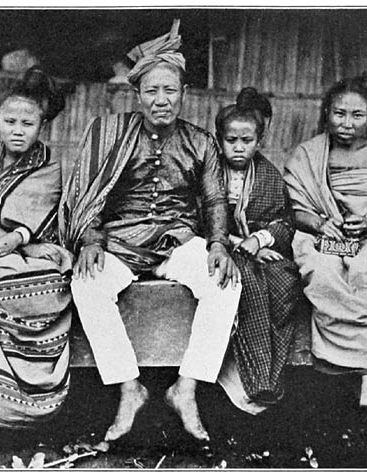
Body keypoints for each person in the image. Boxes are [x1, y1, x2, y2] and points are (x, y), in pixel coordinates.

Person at [60, 20, 241, 447]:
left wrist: (217, 244)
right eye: (152, 92)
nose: (161, 101)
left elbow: (215, 200)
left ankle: (187, 389)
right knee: (86, 284)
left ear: (184, 94)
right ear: (137, 94)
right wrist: (90, 239)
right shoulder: (110, 134)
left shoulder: (201, 142)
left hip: (177, 241)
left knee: (225, 283)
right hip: (121, 241)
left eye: (170, 91)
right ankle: (129, 388)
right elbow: (87, 194)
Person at [283, 69, 367, 411]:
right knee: (323, 268)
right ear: (326, 114)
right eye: (339, 114)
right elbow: (297, 211)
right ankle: (335, 375)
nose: (347, 123)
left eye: (357, 115)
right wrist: (319, 223)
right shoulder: (310, 154)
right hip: (325, 235)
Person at [0, 67, 73, 429]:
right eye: (10, 121)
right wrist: (13, 244)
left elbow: (43, 214)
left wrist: (24, 243)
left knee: (52, 278)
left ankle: (35, 392)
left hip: (31, 240)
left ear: (41, 126)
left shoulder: (47, 163)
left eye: (28, 123)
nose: (18, 130)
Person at [213, 88, 305, 415]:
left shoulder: (267, 173)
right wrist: (242, 245)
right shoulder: (209, 170)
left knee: (285, 281)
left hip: (257, 247)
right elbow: (198, 217)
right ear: (219, 138)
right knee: (247, 283)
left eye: (247, 141)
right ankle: (250, 378)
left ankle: (270, 372)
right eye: (231, 140)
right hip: (222, 247)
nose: (239, 148)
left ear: (259, 140)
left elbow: (284, 219)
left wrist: (261, 241)